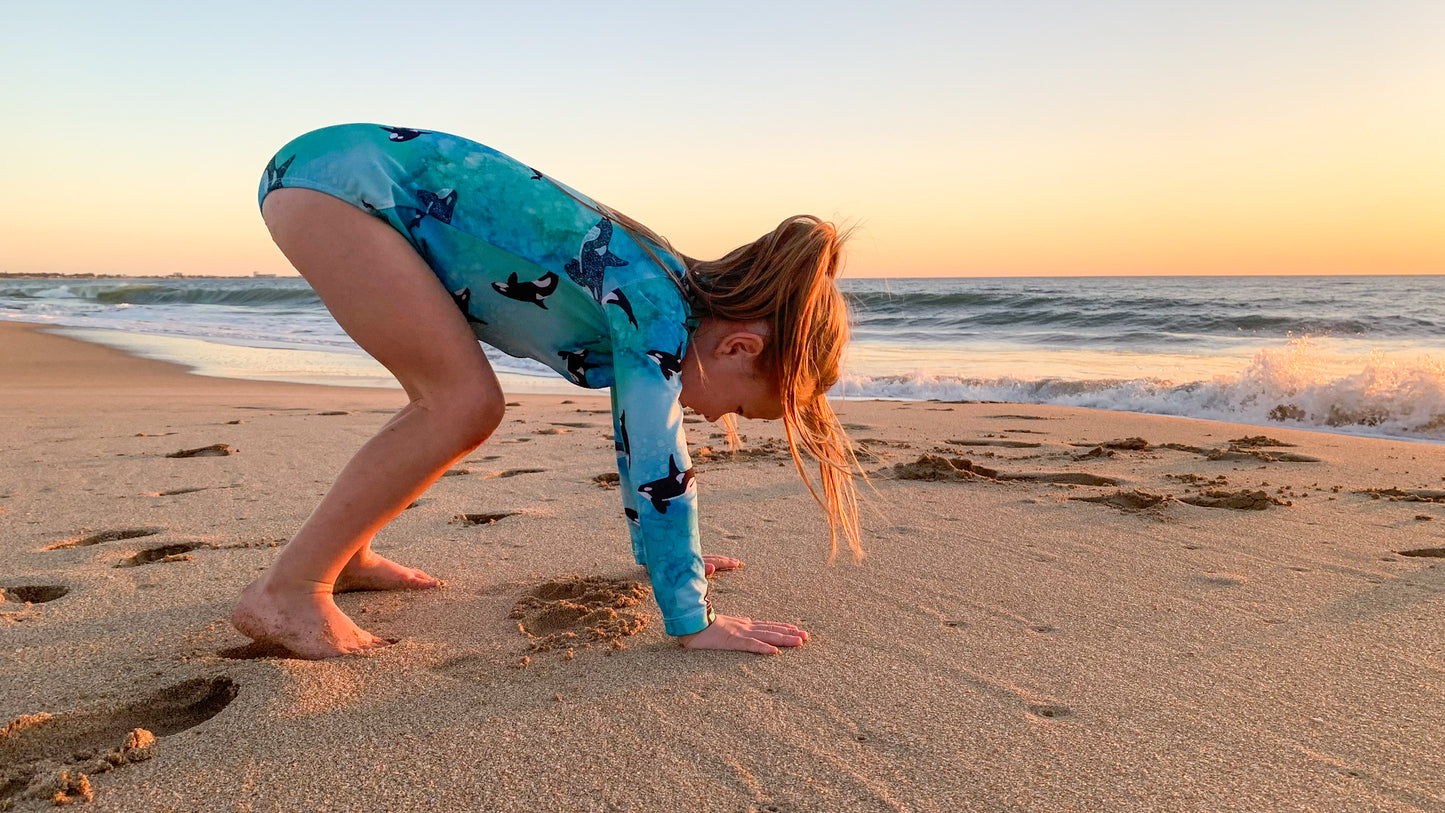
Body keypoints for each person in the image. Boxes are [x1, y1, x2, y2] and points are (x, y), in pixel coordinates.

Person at [231, 124, 860, 659]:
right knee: (462, 404)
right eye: (743, 407)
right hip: (344, 189)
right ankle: (289, 590)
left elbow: (634, 442)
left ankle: (346, 552)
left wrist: (658, 558)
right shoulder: (658, 310)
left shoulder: (664, 292)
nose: (719, 416)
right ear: (740, 348)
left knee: (445, 401)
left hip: (337, 176)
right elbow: (657, 456)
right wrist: (693, 618)